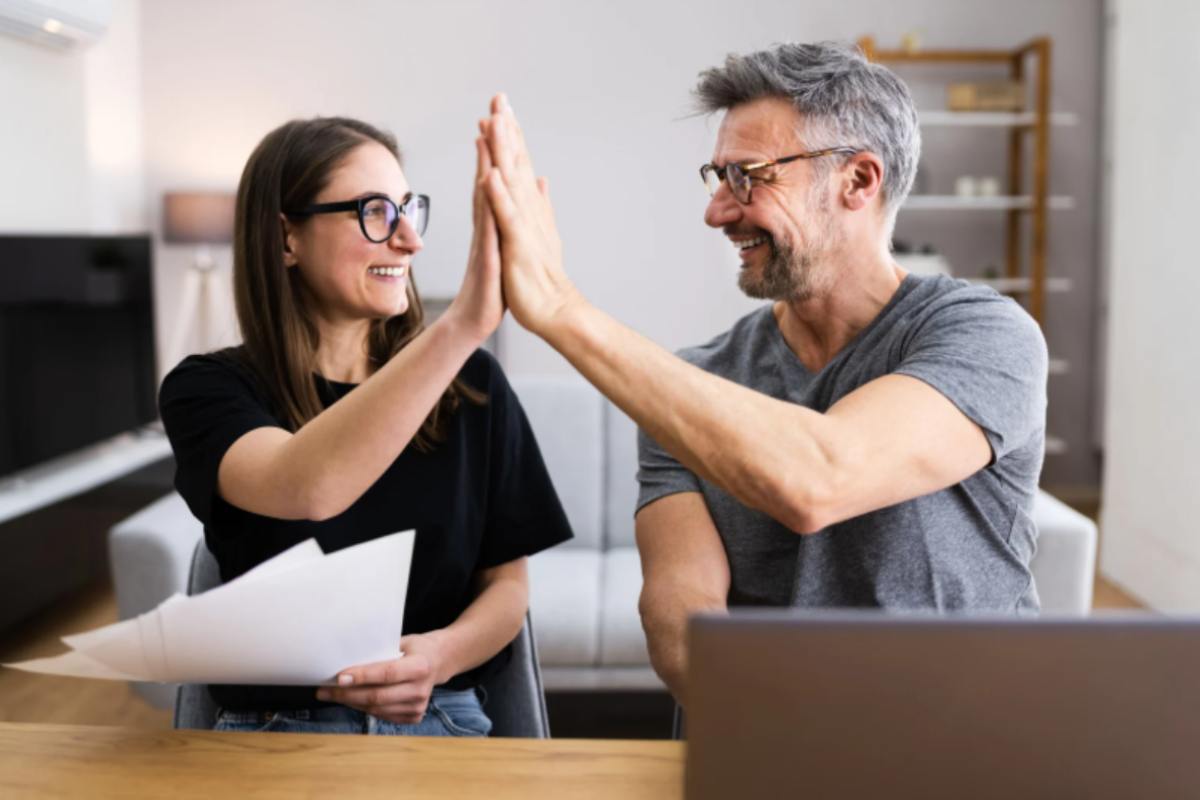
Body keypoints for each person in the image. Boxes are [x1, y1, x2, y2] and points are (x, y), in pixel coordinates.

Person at [477, 41, 1047, 707]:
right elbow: (679, 615)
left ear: (859, 181)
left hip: (959, 737)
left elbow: (819, 479)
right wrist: (774, 736)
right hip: (757, 729)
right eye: (718, 177)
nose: (718, 211)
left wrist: (561, 310)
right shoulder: (695, 386)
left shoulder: (986, 336)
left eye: (749, 176)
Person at [158, 116, 573, 735]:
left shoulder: (472, 385)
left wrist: (437, 658)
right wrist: (463, 323)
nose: (409, 240)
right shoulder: (207, 390)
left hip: (441, 716)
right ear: (286, 238)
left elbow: (508, 589)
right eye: (374, 211)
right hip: (278, 730)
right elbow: (306, 486)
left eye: (408, 209)